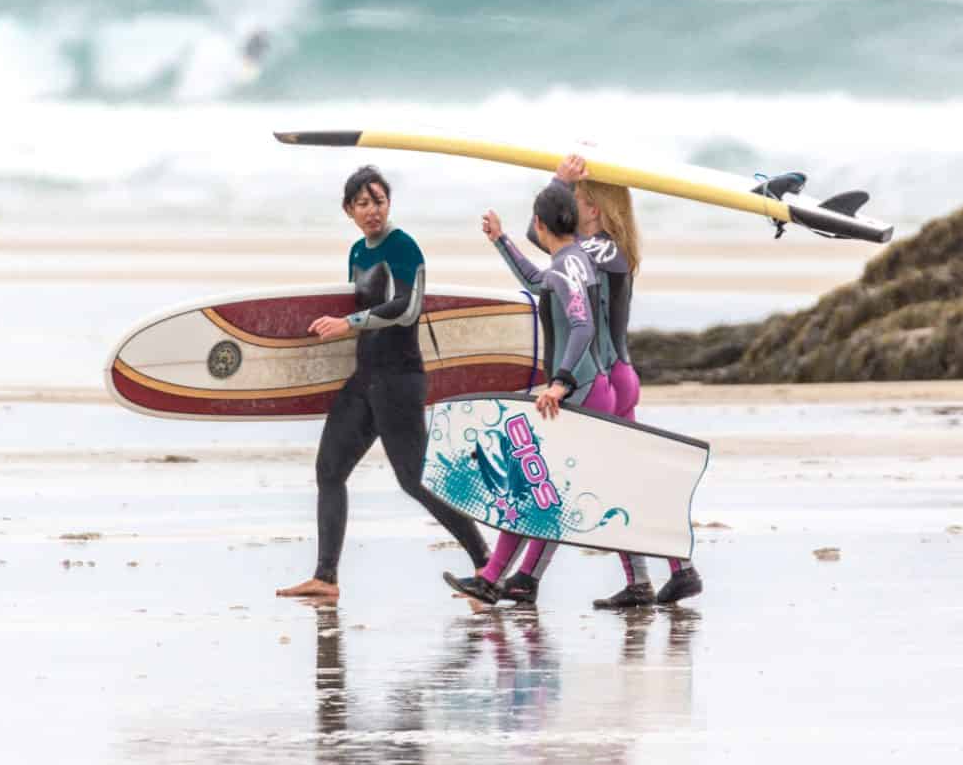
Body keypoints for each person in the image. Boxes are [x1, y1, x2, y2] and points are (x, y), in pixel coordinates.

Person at [276, 165, 491, 602]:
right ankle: (326, 578)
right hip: (365, 378)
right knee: (329, 469)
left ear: (389, 203)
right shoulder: (357, 251)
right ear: (348, 210)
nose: (372, 210)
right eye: (362, 203)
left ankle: (486, 563)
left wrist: (350, 322)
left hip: (399, 379)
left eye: (378, 200)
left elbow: (408, 308)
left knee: (414, 480)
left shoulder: (404, 246)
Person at [444, 181, 614, 605]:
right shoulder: (576, 260)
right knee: (547, 492)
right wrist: (501, 241)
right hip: (594, 387)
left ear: (539, 224)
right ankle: (524, 579)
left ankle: (492, 577)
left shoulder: (564, 268)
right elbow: (540, 281)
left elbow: (582, 327)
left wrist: (559, 381)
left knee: (528, 483)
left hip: (580, 389)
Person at [553, 154, 703, 608]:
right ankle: (657, 575)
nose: (570, 207)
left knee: (620, 481)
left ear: (595, 208)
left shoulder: (597, 251)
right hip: (621, 371)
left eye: (578, 200)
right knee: (624, 480)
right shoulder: (614, 248)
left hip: (606, 376)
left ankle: (673, 570)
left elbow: (544, 233)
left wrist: (557, 183)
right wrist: (563, 186)